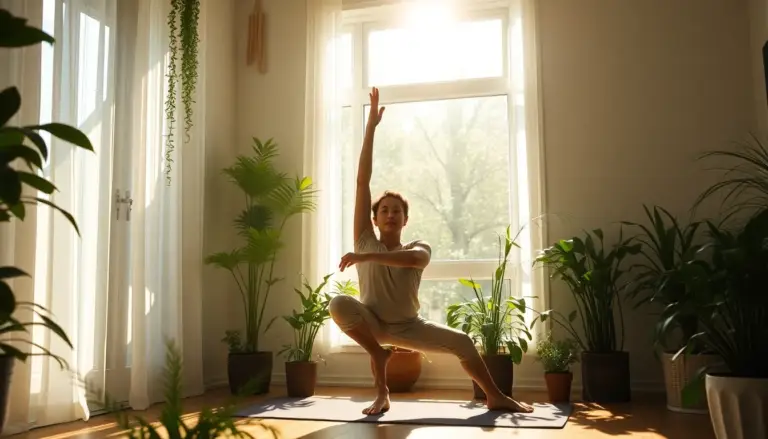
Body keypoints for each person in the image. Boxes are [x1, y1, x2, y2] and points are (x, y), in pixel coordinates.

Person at [329, 87, 535, 416]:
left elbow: (413, 260)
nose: (391, 214)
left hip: (409, 326)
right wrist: (370, 128)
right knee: (338, 303)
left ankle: (495, 396)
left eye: (397, 210)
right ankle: (381, 387)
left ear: (405, 220)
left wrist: (364, 257)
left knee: (464, 343)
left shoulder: (416, 247)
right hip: (373, 321)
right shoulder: (365, 238)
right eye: (385, 210)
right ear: (375, 218)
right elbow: (361, 181)